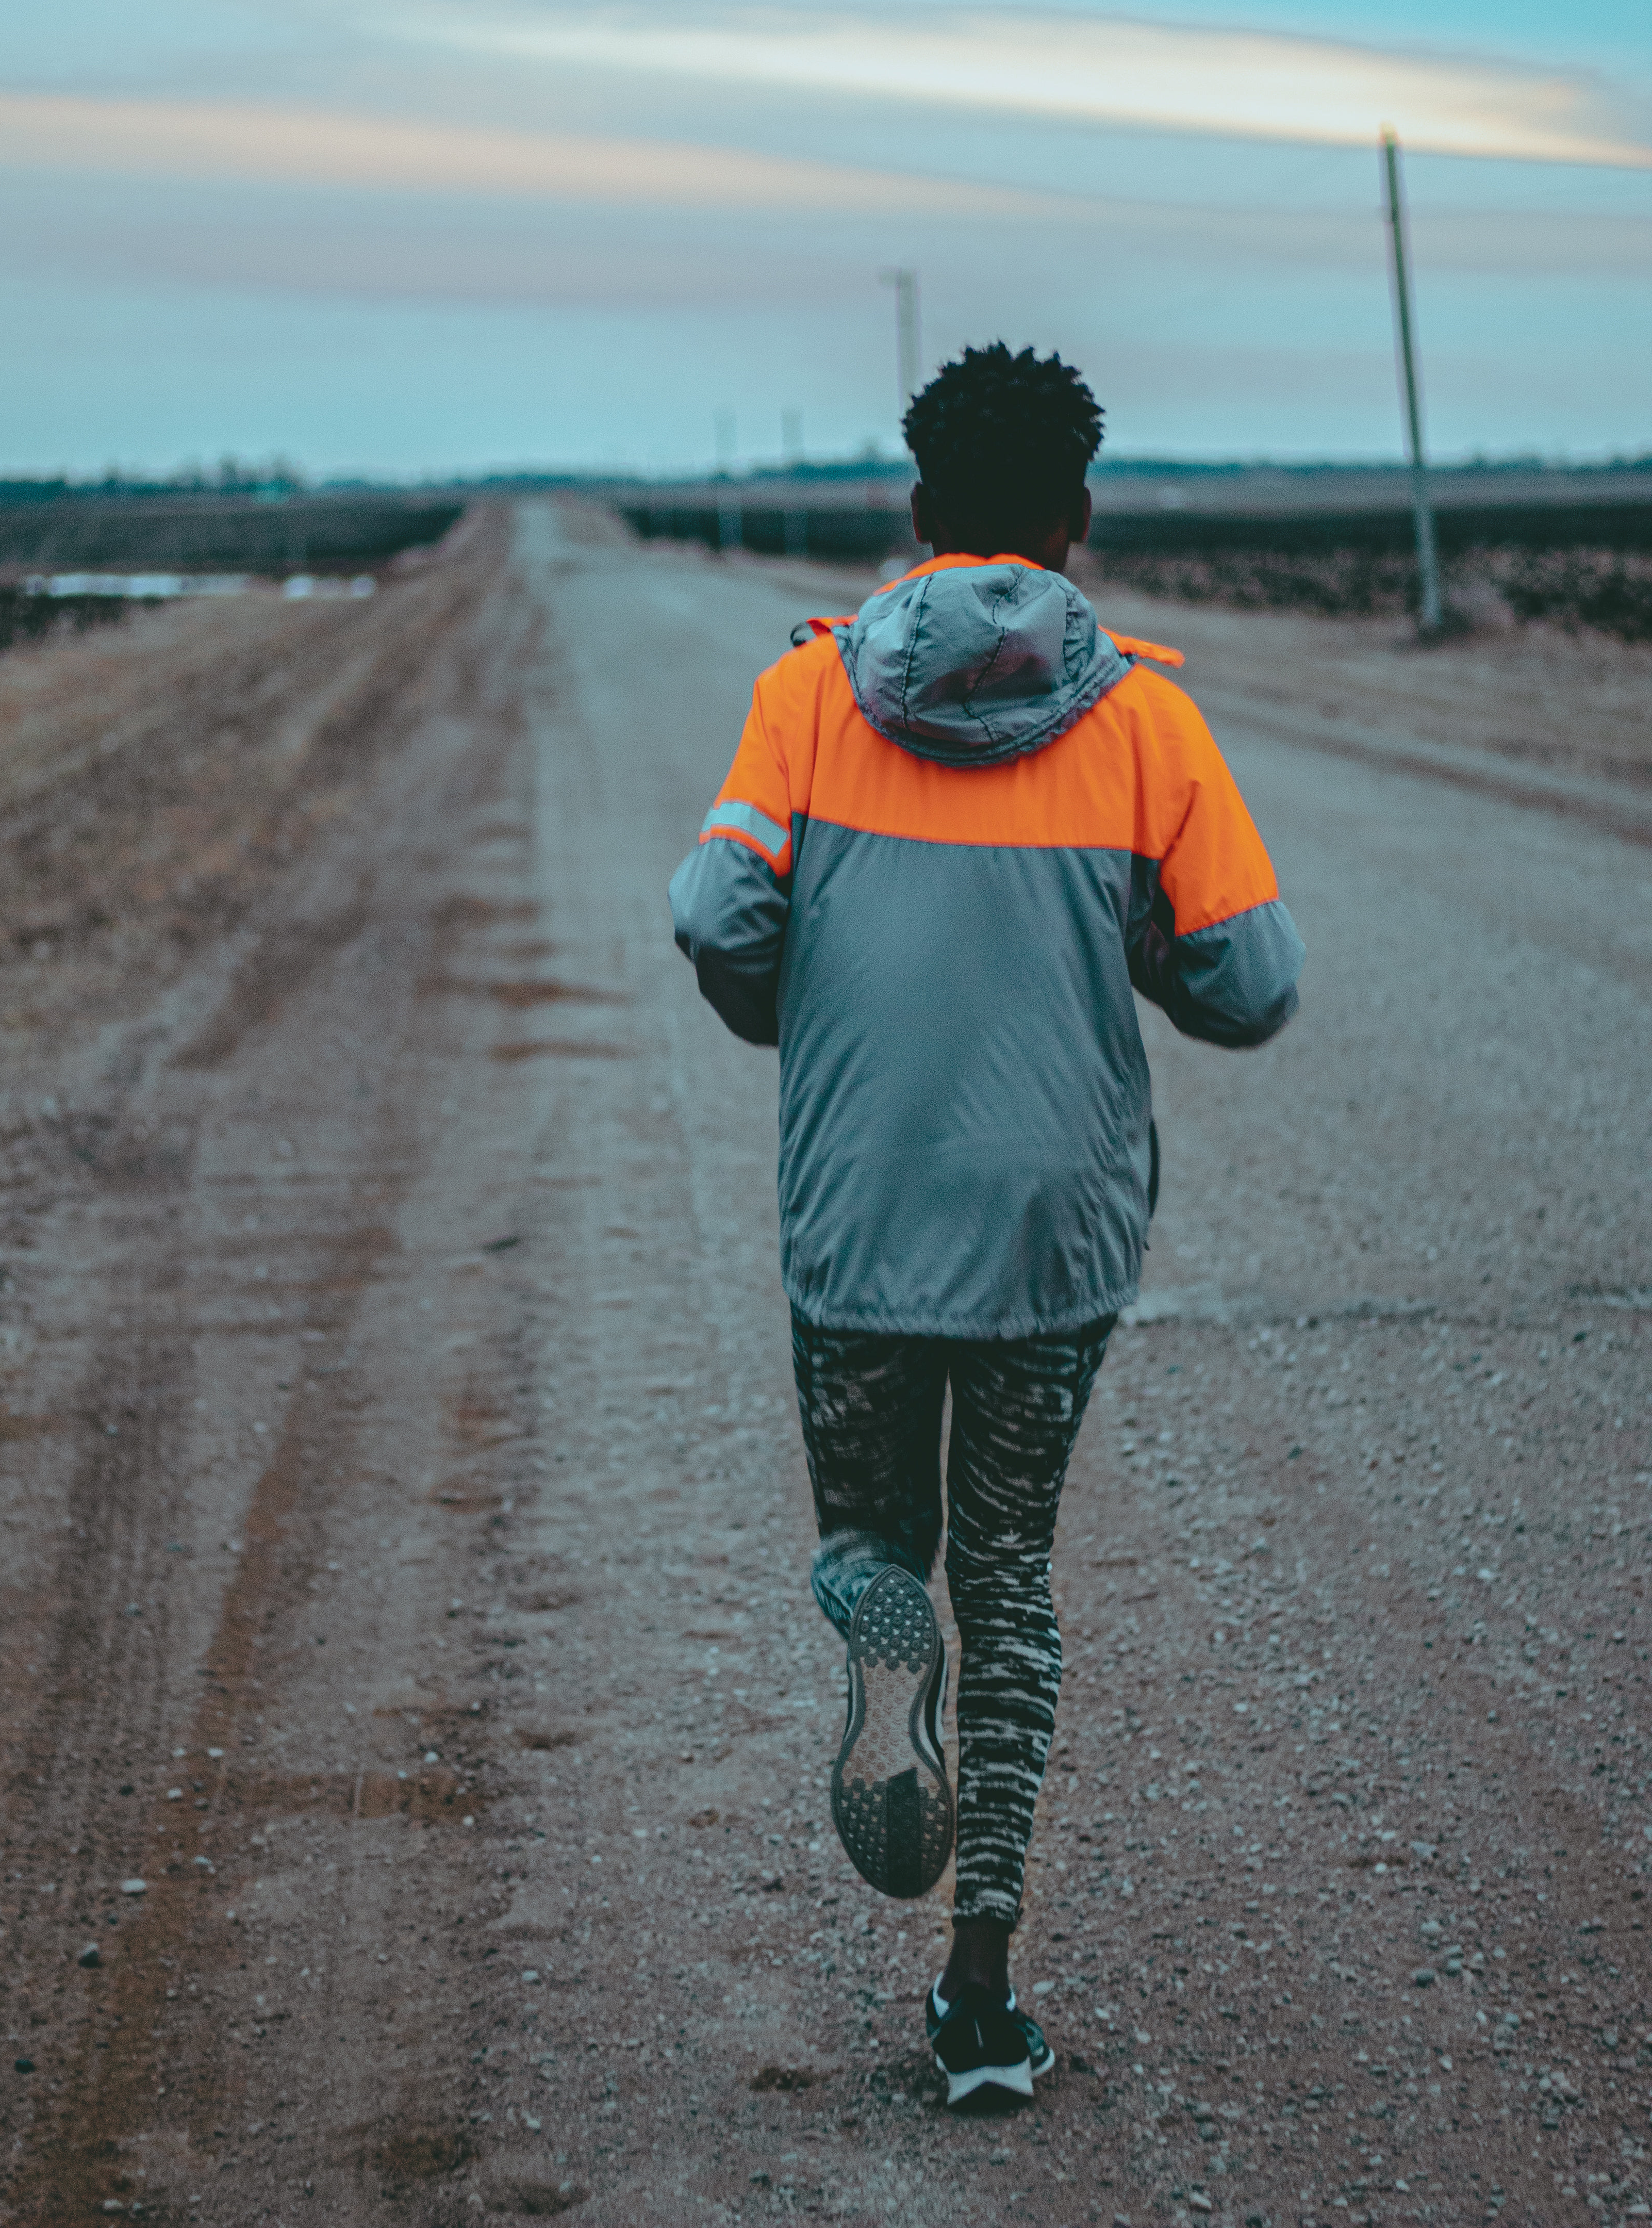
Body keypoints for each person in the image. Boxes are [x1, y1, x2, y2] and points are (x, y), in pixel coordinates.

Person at [668, 342, 1303, 2105]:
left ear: (922, 513)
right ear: (1076, 519)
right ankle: (977, 1998)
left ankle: (885, 1615)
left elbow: (722, 914)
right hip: (1052, 1230)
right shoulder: (1151, 721)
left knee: (881, 1541)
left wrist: (806, 1024)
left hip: (859, 1210)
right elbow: (1251, 982)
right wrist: (1138, 943)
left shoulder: (807, 696)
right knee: (1013, 1575)